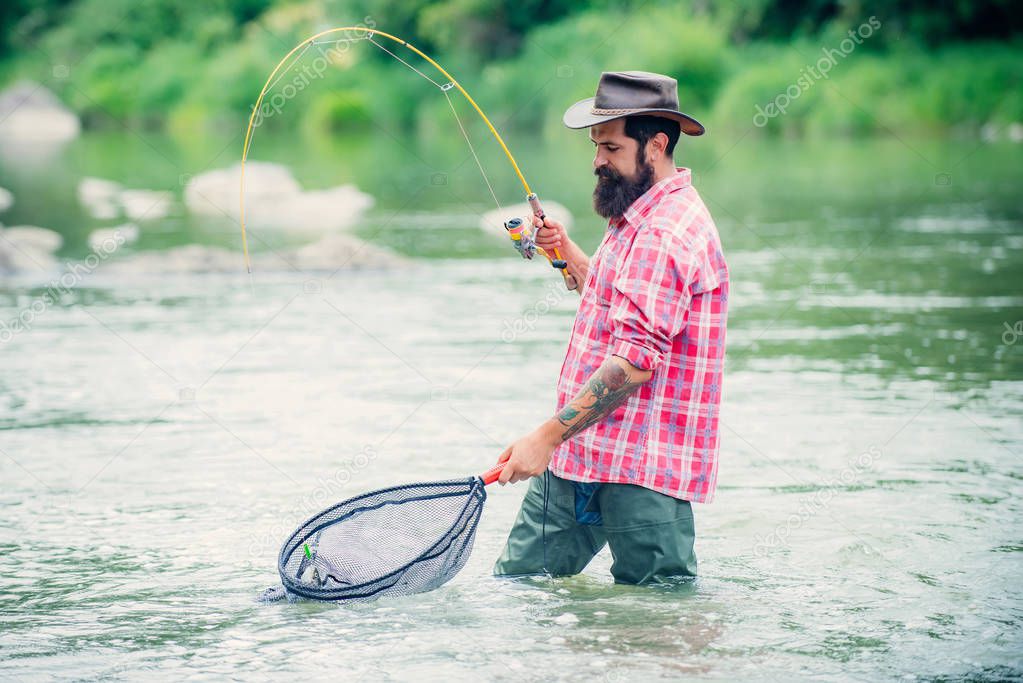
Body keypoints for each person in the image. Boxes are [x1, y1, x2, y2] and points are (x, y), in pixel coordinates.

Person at [492, 71, 729, 585]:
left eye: (611, 148)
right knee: (519, 588)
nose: (598, 161)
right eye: (596, 146)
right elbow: (613, 295)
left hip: (643, 471)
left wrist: (544, 438)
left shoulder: (667, 232)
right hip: (582, 454)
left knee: (656, 619)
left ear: (656, 145)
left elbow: (636, 361)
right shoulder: (633, 215)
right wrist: (565, 252)